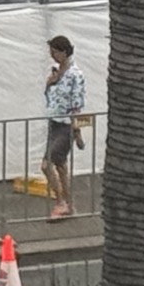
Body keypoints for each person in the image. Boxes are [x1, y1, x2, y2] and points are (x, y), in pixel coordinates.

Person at [41, 34, 86, 221]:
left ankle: (61, 202)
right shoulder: (57, 72)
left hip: (66, 125)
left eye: (54, 52)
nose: (52, 56)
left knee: (47, 165)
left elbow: (77, 104)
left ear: (63, 52)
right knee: (60, 166)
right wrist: (49, 84)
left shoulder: (75, 75)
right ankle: (69, 203)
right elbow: (51, 98)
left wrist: (77, 131)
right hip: (54, 121)